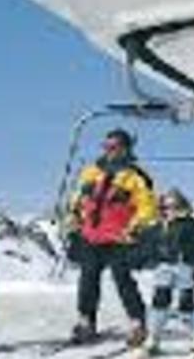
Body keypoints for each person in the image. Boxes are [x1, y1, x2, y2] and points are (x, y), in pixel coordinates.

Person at [67, 128, 157, 346]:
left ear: (125, 149)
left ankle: (137, 323)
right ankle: (86, 321)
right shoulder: (91, 172)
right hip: (91, 236)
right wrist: (74, 217)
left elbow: (148, 207)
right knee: (88, 280)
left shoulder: (135, 177)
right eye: (106, 147)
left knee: (122, 280)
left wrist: (135, 227)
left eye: (113, 147)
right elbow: (78, 199)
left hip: (119, 238)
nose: (109, 151)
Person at [142, 189, 194, 355]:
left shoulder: (189, 224)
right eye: (165, 207)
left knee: (186, 302)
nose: (168, 211)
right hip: (164, 267)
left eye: (172, 207)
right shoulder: (159, 226)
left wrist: (189, 254)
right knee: (159, 300)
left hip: (183, 266)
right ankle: (153, 336)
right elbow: (149, 243)